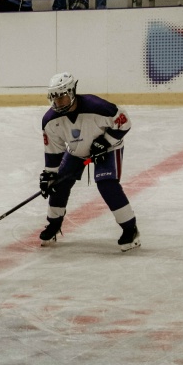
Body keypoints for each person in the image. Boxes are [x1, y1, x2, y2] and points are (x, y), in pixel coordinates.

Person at [38, 72, 138, 251]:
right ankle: (53, 224)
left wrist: (105, 141)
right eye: (55, 98)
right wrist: (50, 175)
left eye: (62, 97)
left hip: (107, 148)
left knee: (107, 184)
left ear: (72, 91)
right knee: (58, 184)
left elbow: (124, 122)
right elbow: (54, 151)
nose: (58, 102)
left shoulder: (98, 107)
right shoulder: (50, 121)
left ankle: (130, 230)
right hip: (76, 152)